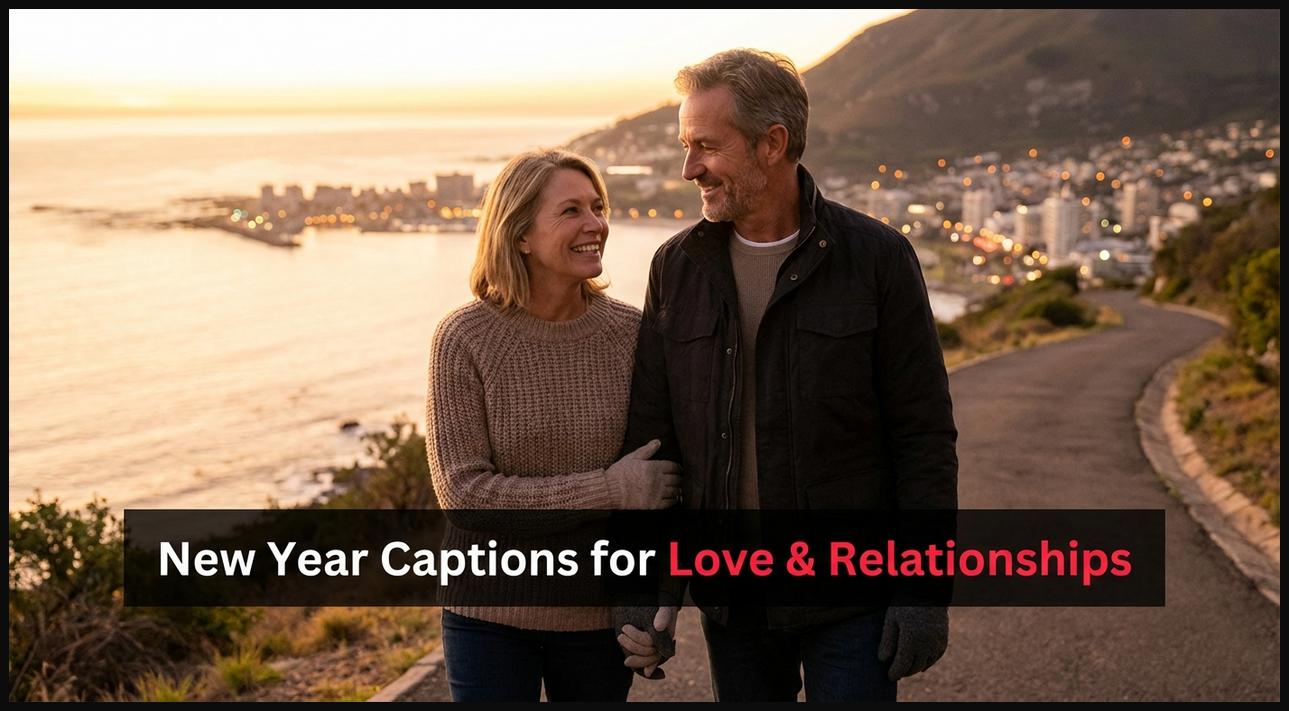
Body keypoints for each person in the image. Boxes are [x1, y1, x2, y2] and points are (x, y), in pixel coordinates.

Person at [615, 49, 958, 702]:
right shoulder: (676, 267)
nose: (689, 169)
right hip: (732, 604)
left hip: (851, 599)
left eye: (705, 147)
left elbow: (922, 437)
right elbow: (651, 441)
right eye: (686, 147)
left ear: (771, 144)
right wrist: (645, 587)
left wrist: (922, 590)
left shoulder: (878, 260)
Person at [425, 149, 681, 702]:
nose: (596, 225)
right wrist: (609, 489)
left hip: (597, 619)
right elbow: (465, 495)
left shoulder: (636, 336)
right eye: (571, 211)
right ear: (520, 235)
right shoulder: (464, 339)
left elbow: (665, 486)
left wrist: (658, 606)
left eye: (597, 206)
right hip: (486, 615)